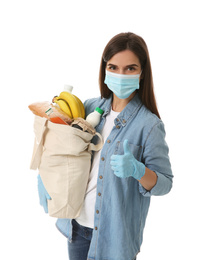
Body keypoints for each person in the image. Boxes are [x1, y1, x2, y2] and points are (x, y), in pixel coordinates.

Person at [39, 32, 173, 260]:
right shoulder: (89, 108)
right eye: (113, 67)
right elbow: (61, 148)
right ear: (105, 70)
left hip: (115, 238)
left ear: (142, 74)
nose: (120, 74)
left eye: (130, 68)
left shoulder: (149, 126)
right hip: (77, 228)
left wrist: (139, 171)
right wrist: (46, 177)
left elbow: (165, 184)